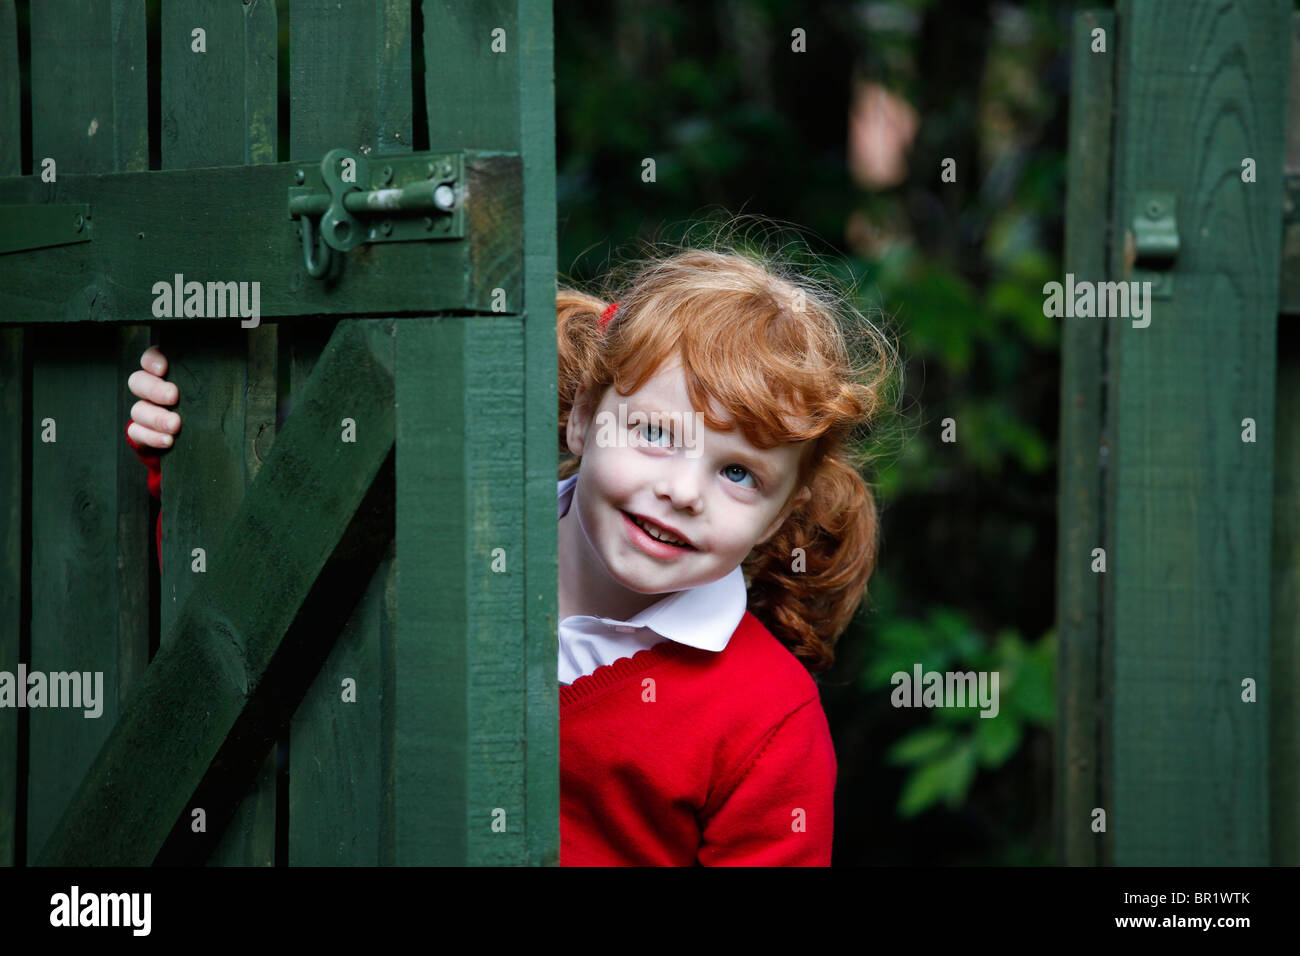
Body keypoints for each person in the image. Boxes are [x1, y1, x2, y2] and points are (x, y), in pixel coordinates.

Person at [125, 238, 898, 866]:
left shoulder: (767, 720)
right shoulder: (439, 544)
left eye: (738, 473)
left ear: (778, 516)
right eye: (658, 434)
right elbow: (243, 630)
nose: (684, 491)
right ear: (584, 419)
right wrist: (183, 459)